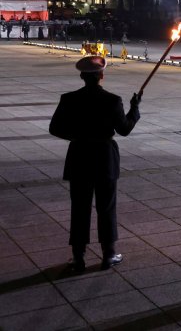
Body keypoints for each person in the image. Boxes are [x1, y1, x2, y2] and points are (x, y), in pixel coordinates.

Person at [49, 56, 141, 272]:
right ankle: (108, 255)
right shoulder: (112, 100)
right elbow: (124, 129)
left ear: (82, 76)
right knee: (106, 207)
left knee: (79, 208)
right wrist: (134, 109)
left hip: (80, 156)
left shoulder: (69, 99)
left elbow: (55, 128)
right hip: (104, 158)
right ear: (102, 75)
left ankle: (78, 257)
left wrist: (78, 136)